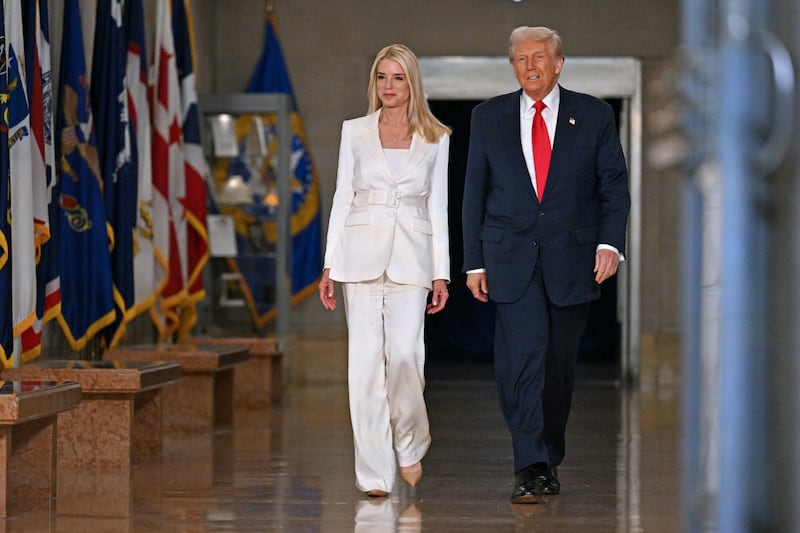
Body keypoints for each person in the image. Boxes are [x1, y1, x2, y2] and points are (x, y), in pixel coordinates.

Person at [461, 26, 630, 504]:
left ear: (558, 63)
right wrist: (473, 262)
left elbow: (612, 187)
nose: (528, 66)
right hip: (508, 257)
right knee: (522, 361)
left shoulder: (593, 115)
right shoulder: (488, 116)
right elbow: (474, 193)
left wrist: (609, 244)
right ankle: (529, 463)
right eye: (519, 59)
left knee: (557, 367)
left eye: (538, 57)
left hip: (572, 258)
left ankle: (548, 456)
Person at [318, 43, 452, 498]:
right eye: (382, 77)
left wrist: (441, 272)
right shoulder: (354, 131)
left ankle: (411, 441)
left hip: (413, 259)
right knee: (364, 370)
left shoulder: (437, 137)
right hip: (359, 256)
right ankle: (375, 475)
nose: (389, 87)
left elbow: (439, 207)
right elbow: (341, 197)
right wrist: (329, 264)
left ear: (412, 82)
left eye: (397, 78)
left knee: (405, 359)